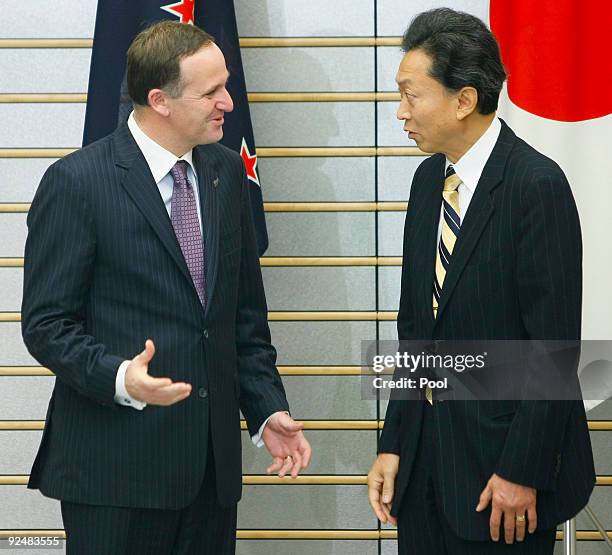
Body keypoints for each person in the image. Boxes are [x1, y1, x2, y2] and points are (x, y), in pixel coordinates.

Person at [21, 21, 311, 554]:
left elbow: (242, 319)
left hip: (209, 477)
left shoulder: (225, 174)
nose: (229, 101)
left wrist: (266, 408)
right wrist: (120, 378)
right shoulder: (77, 182)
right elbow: (45, 325)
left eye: (226, 83)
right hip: (114, 474)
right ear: (160, 100)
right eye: (211, 92)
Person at [367, 8, 595, 554]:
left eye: (410, 95)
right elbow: (415, 331)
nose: (400, 112)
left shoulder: (536, 185)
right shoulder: (428, 182)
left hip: (504, 484)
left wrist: (523, 471)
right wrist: (395, 443)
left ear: (464, 99)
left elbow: (553, 351)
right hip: (423, 478)